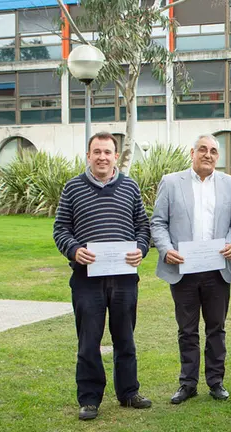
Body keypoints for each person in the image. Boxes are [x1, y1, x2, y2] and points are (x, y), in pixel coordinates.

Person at [53, 132, 152, 421]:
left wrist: (141, 249)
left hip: (124, 277)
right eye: (96, 152)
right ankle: (89, 398)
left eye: (108, 152)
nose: (102, 157)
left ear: (116, 156)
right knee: (89, 340)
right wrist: (73, 250)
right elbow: (60, 229)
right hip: (87, 278)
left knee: (125, 337)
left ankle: (129, 392)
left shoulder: (130, 188)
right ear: (88, 155)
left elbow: (142, 227)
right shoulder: (72, 188)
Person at [150, 134, 231, 404]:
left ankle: (216, 382)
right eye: (203, 149)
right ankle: (188, 383)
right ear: (192, 153)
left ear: (218, 156)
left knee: (217, 328)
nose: (208, 155)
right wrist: (166, 249)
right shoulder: (171, 182)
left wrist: (230, 242)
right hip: (183, 270)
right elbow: (158, 222)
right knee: (187, 330)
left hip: (217, 270)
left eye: (213, 151)